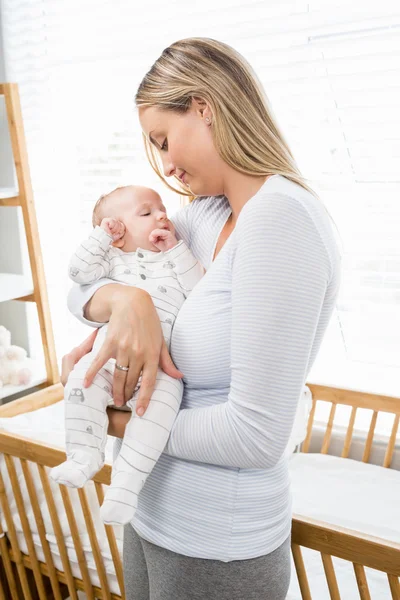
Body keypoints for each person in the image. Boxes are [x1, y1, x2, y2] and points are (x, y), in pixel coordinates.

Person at [65, 37, 341, 600]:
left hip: (217, 541)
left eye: (165, 140)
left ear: (205, 106)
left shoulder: (281, 221)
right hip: (148, 516)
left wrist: (114, 421)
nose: (165, 164)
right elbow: (81, 288)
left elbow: (256, 437)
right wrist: (127, 302)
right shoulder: (203, 216)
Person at [51, 184, 204, 526]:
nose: (162, 215)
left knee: (158, 412)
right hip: (109, 356)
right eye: (147, 213)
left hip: (159, 368)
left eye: (161, 208)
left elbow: (199, 290)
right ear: (118, 234)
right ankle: (84, 456)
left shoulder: (175, 257)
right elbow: (78, 274)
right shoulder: (110, 260)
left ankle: (125, 487)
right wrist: (100, 238)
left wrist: (176, 249)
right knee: (80, 381)